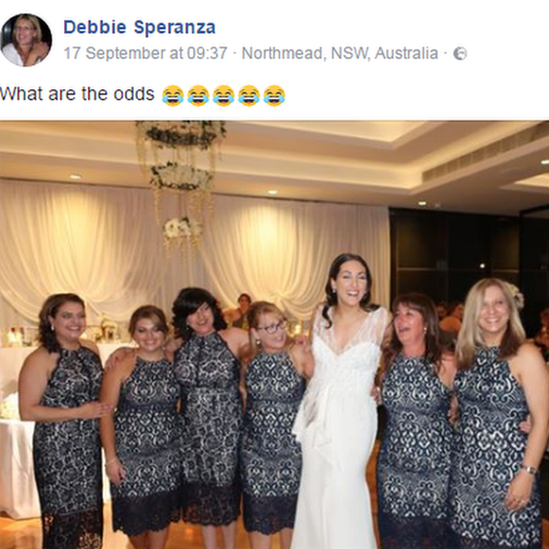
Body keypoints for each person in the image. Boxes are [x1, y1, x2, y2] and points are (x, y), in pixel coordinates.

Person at [291, 253, 389, 549]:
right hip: (317, 413)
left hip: (355, 416)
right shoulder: (319, 314)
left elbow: (401, 359)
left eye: (361, 277)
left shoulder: (381, 318)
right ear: (333, 282)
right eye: (346, 276)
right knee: (315, 487)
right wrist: (299, 358)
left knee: (345, 487)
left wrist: (383, 388)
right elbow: (313, 371)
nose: (354, 283)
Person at [449, 278, 549, 549]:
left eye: (498, 303)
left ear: (510, 309)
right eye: (483, 306)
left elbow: (542, 422)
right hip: (466, 479)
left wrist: (527, 473)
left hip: (509, 477)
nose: (491, 311)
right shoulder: (467, 353)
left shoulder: (526, 354)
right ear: (472, 313)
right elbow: (462, 405)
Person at [18, 293, 111, 549]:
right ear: (51, 319)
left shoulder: (91, 349)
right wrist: (78, 412)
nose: (76, 321)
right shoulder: (41, 358)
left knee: (86, 515)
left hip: (88, 447)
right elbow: (27, 411)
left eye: (80, 315)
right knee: (63, 518)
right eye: (67, 316)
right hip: (57, 450)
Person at [376, 293, 456, 549]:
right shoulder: (388, 361)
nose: (400, 319)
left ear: (426, 323)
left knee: (434, 539)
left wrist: (528, 416)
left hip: (437, 471)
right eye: (397, 314)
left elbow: (477, 403)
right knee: (398, 538)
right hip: (393, 468)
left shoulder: (446, 363)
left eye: (409, 313)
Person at [172, 287, 250, 549]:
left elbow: (268, 348)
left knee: (225, 495)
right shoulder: (177, 346)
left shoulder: (235, 337)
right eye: (193, 312)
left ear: (213, 309)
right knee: (203, 497)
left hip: (227, 431)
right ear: (185, 318)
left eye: (204, 308)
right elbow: (144, 350)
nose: (201, 316)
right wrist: (121, 352)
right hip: (192, 433)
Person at [99, 305, 181, 549]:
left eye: (156, 329)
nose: (149, 336)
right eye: (142, 330)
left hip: (167, 454)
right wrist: (111, 458)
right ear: (133, 333)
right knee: (134, 522)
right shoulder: (122, 363)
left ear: (165, 332)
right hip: (129, 456)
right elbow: (105, 413)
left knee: (161, 515)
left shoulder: (174, 361)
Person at [241, 301, 313, 549]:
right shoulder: (247, 361)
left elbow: (329, 383)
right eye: (269, 327)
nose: (278, 331)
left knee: (289, 521)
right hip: (255, 455)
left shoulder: (298, 354)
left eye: (280, 324)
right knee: (260, 519)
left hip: (291, 454)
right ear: (255, 333)